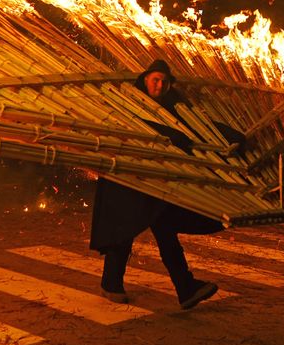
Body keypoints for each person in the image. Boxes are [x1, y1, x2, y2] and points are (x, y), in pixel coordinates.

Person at [89, 59, 223, 309]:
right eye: (155, 80)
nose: (159, 85)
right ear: (145, 80)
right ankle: (113, 283)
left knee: (165, 228)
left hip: (158, 179)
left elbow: (195, 128)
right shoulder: (131, 102)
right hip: (127, 175)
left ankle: (185, 288)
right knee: (123, 227)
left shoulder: (174, 106)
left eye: (163, 81)